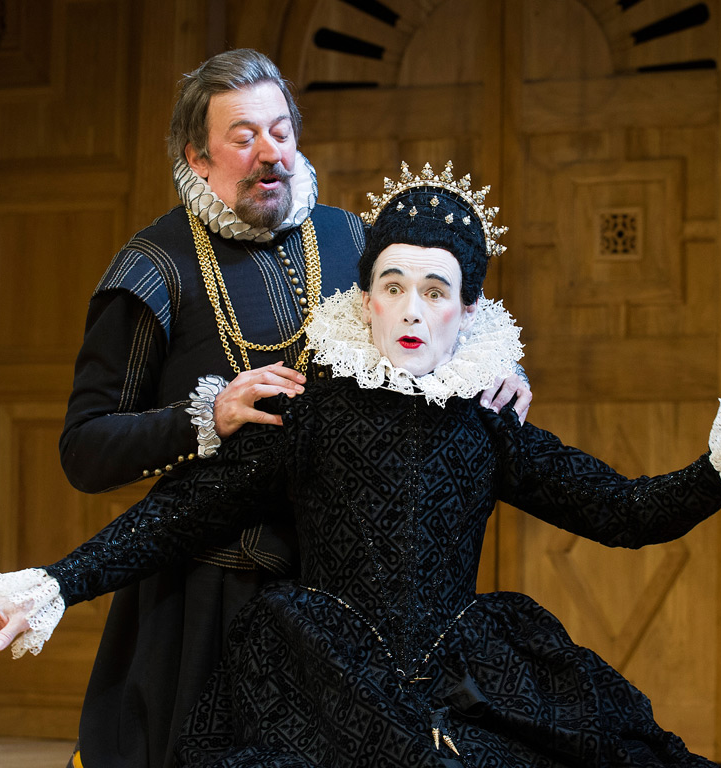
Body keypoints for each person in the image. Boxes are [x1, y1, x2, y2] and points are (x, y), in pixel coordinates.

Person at [0, 162, 721, 767]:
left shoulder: (487, 422)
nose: (412, 307)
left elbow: (624, 512)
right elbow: (177, 513)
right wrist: (51, 585)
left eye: (436, 289)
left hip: (463, 671)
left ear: (467, 315)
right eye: (395, 284)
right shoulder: (308, 412)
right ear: (365, 297)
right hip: (320, 673)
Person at [56, 49, 531, 768]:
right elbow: (84, 451)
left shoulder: (350, 240)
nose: (269, 153)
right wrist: (205, 417)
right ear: (198, 154)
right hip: (202, 603)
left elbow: (441, 319)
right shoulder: (151, 271)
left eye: (280, 131)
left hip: (343, 600)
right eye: (244, 136)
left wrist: (501, 371)